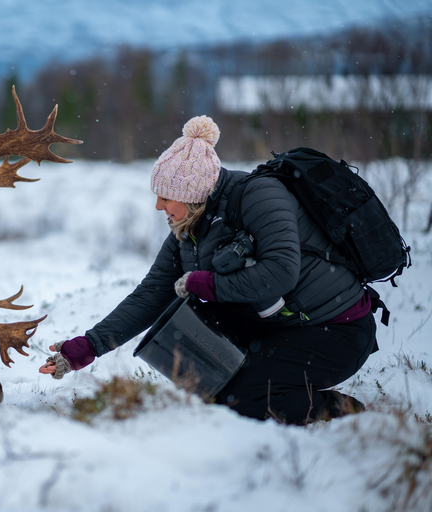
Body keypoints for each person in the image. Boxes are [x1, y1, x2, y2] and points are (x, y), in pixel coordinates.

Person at [38, 115, 378, 424]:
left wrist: (210, 284)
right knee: (211, 385)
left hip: (336, 330)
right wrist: (85, 347)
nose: (159, 206)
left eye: (166, 197)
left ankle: (344, 414)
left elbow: (281, 273)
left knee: (239, 399)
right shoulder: (190, 227)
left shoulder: (260, 197)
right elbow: (151, 294)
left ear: (191, 193)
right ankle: (253, 392)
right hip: (280, 326)